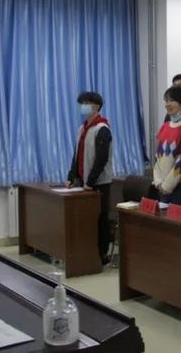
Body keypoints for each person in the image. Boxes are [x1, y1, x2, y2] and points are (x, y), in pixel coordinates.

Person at [67, 92, 113, 264]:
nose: (83, 107)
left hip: (99, 183)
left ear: (97, 107)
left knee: (100, 219)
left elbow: (101, 159)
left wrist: (90, 182)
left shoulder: (102, 128)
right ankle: (85, 252)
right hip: (83, 181)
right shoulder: (82, 128)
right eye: (82, 103)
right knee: (85, 219)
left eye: (87, 103)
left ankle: (102, 254)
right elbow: (77, 154)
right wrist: (71, 177)